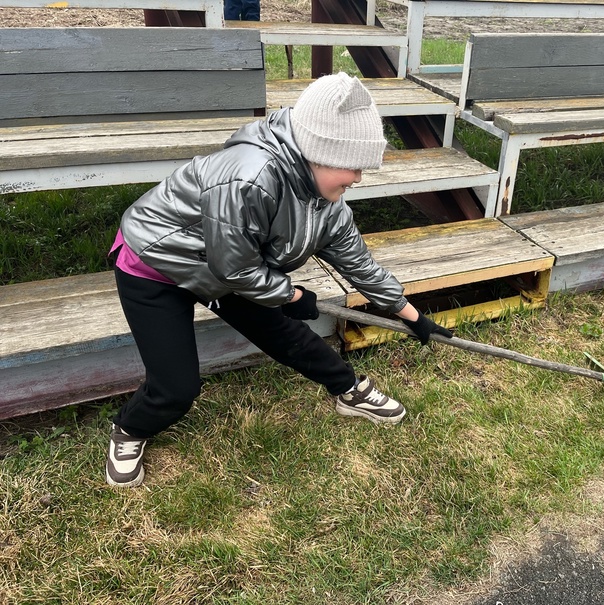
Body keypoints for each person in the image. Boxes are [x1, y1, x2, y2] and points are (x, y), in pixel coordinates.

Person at [105, 72, 452, 488]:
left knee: (287, 334)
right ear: (318, 152)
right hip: (157, 263)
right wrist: (290, 293)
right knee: (177, 387)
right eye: (353, 166)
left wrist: (410, 315)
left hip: (232, 267)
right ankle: (130, 430)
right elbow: (232, 268)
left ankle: (348, 391)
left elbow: (360, 265)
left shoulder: (327, 203)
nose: (358, 178)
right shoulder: (249, 176)